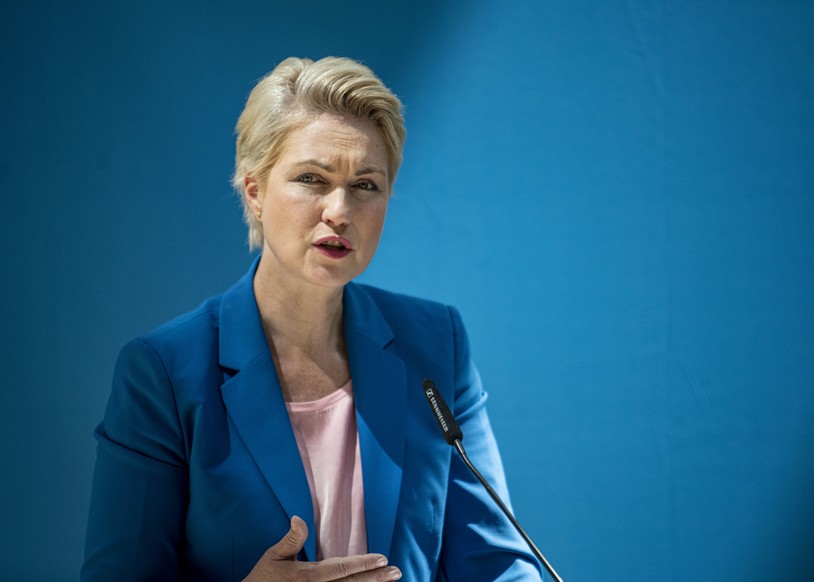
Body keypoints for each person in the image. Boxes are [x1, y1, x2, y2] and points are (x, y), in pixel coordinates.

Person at [82, 56, 542, 581]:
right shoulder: (163, 372)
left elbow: (496, 561)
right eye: (311, 179)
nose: (340, 210)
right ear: (254, 191)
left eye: (366, 185)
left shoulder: (437, 344)